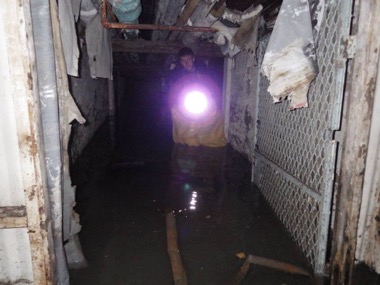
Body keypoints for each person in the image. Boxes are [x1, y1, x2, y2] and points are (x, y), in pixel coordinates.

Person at [167, 47, 226, 147]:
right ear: (180, 62)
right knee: (177, 113)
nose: (186, 63)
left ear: (193, 58)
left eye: (188, 59)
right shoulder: (177, 73)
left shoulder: (204, 69)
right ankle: (188, 138)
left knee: (215, 114)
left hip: (203, 98)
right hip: (185, 100)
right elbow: (173, 88)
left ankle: (207, 137)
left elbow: (212, 85)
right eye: (183, 60)